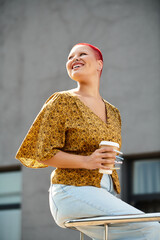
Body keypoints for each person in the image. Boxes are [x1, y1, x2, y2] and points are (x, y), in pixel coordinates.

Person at [15, 43, 160, 240]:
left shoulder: (114, 112)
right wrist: (86, 161)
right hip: (72, 191)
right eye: (70, 57)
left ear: (99, 64)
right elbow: (43, 153)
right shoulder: (62, 100)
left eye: (82, 54)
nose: (74, 59)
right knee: (150, 228)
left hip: (105, 193)